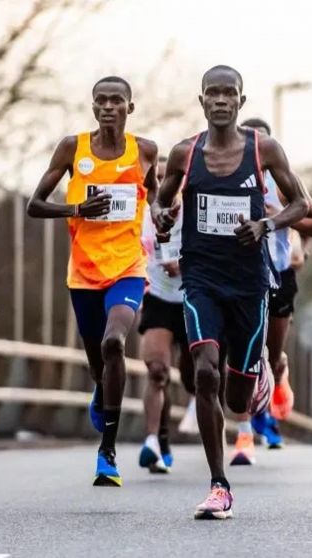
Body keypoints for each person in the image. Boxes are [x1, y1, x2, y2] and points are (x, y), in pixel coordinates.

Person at [153, 65, 308, 519]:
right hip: (200, 278)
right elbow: (162, 201)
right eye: (212, 94)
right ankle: (219, 484)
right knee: (205, 372)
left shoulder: (265, 150)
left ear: (241, 102)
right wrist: (163, 215)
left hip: (248, 283)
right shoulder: (185, 153)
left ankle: (258, 373)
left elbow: (300, 203)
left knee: (237, 398)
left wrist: (266, 224)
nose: (220, 100)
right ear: (201, 101)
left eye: (229, 94)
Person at [28, 76, 158, 487]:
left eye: (116, 100)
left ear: (129, 108)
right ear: (93, 106)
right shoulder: (73, 149)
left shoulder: (145, 151)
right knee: (99, 366)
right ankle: (103, 390)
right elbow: (34, 205)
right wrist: (77, 208)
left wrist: (164, 215)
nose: (107, 107)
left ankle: (108, 451)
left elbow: (154, 195)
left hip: (128, 268)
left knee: (114, 342)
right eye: (100, 100)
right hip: (83, 274)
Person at [241, 117, 312, 452]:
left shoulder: (280, 181)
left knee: (271, 356)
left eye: (262, 141)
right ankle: (256, 420)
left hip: (278, 273)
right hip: (240, 275)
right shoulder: (225, 175)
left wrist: (298, 245)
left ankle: (278, 379)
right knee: (245, 353)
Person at [137, 156, 196, 474]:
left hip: (191, 298)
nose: (161, 184)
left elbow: (211, 250)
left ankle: (184, 413)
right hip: (157, 297)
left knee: (191, 377)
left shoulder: (193, 210)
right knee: (157, 371)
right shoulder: (141, 212)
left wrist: (184, 265)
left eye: (167, 177)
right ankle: (154, 441)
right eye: (155, 178)